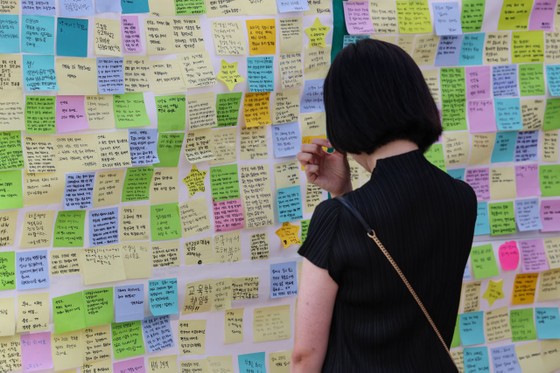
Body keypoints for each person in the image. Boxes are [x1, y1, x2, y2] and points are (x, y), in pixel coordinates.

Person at [291, 39, 477, 372]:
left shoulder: (336, 219)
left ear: (347, 114)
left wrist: (342, 201)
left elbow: (305, 356)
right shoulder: (462, 198)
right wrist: (343, 193)